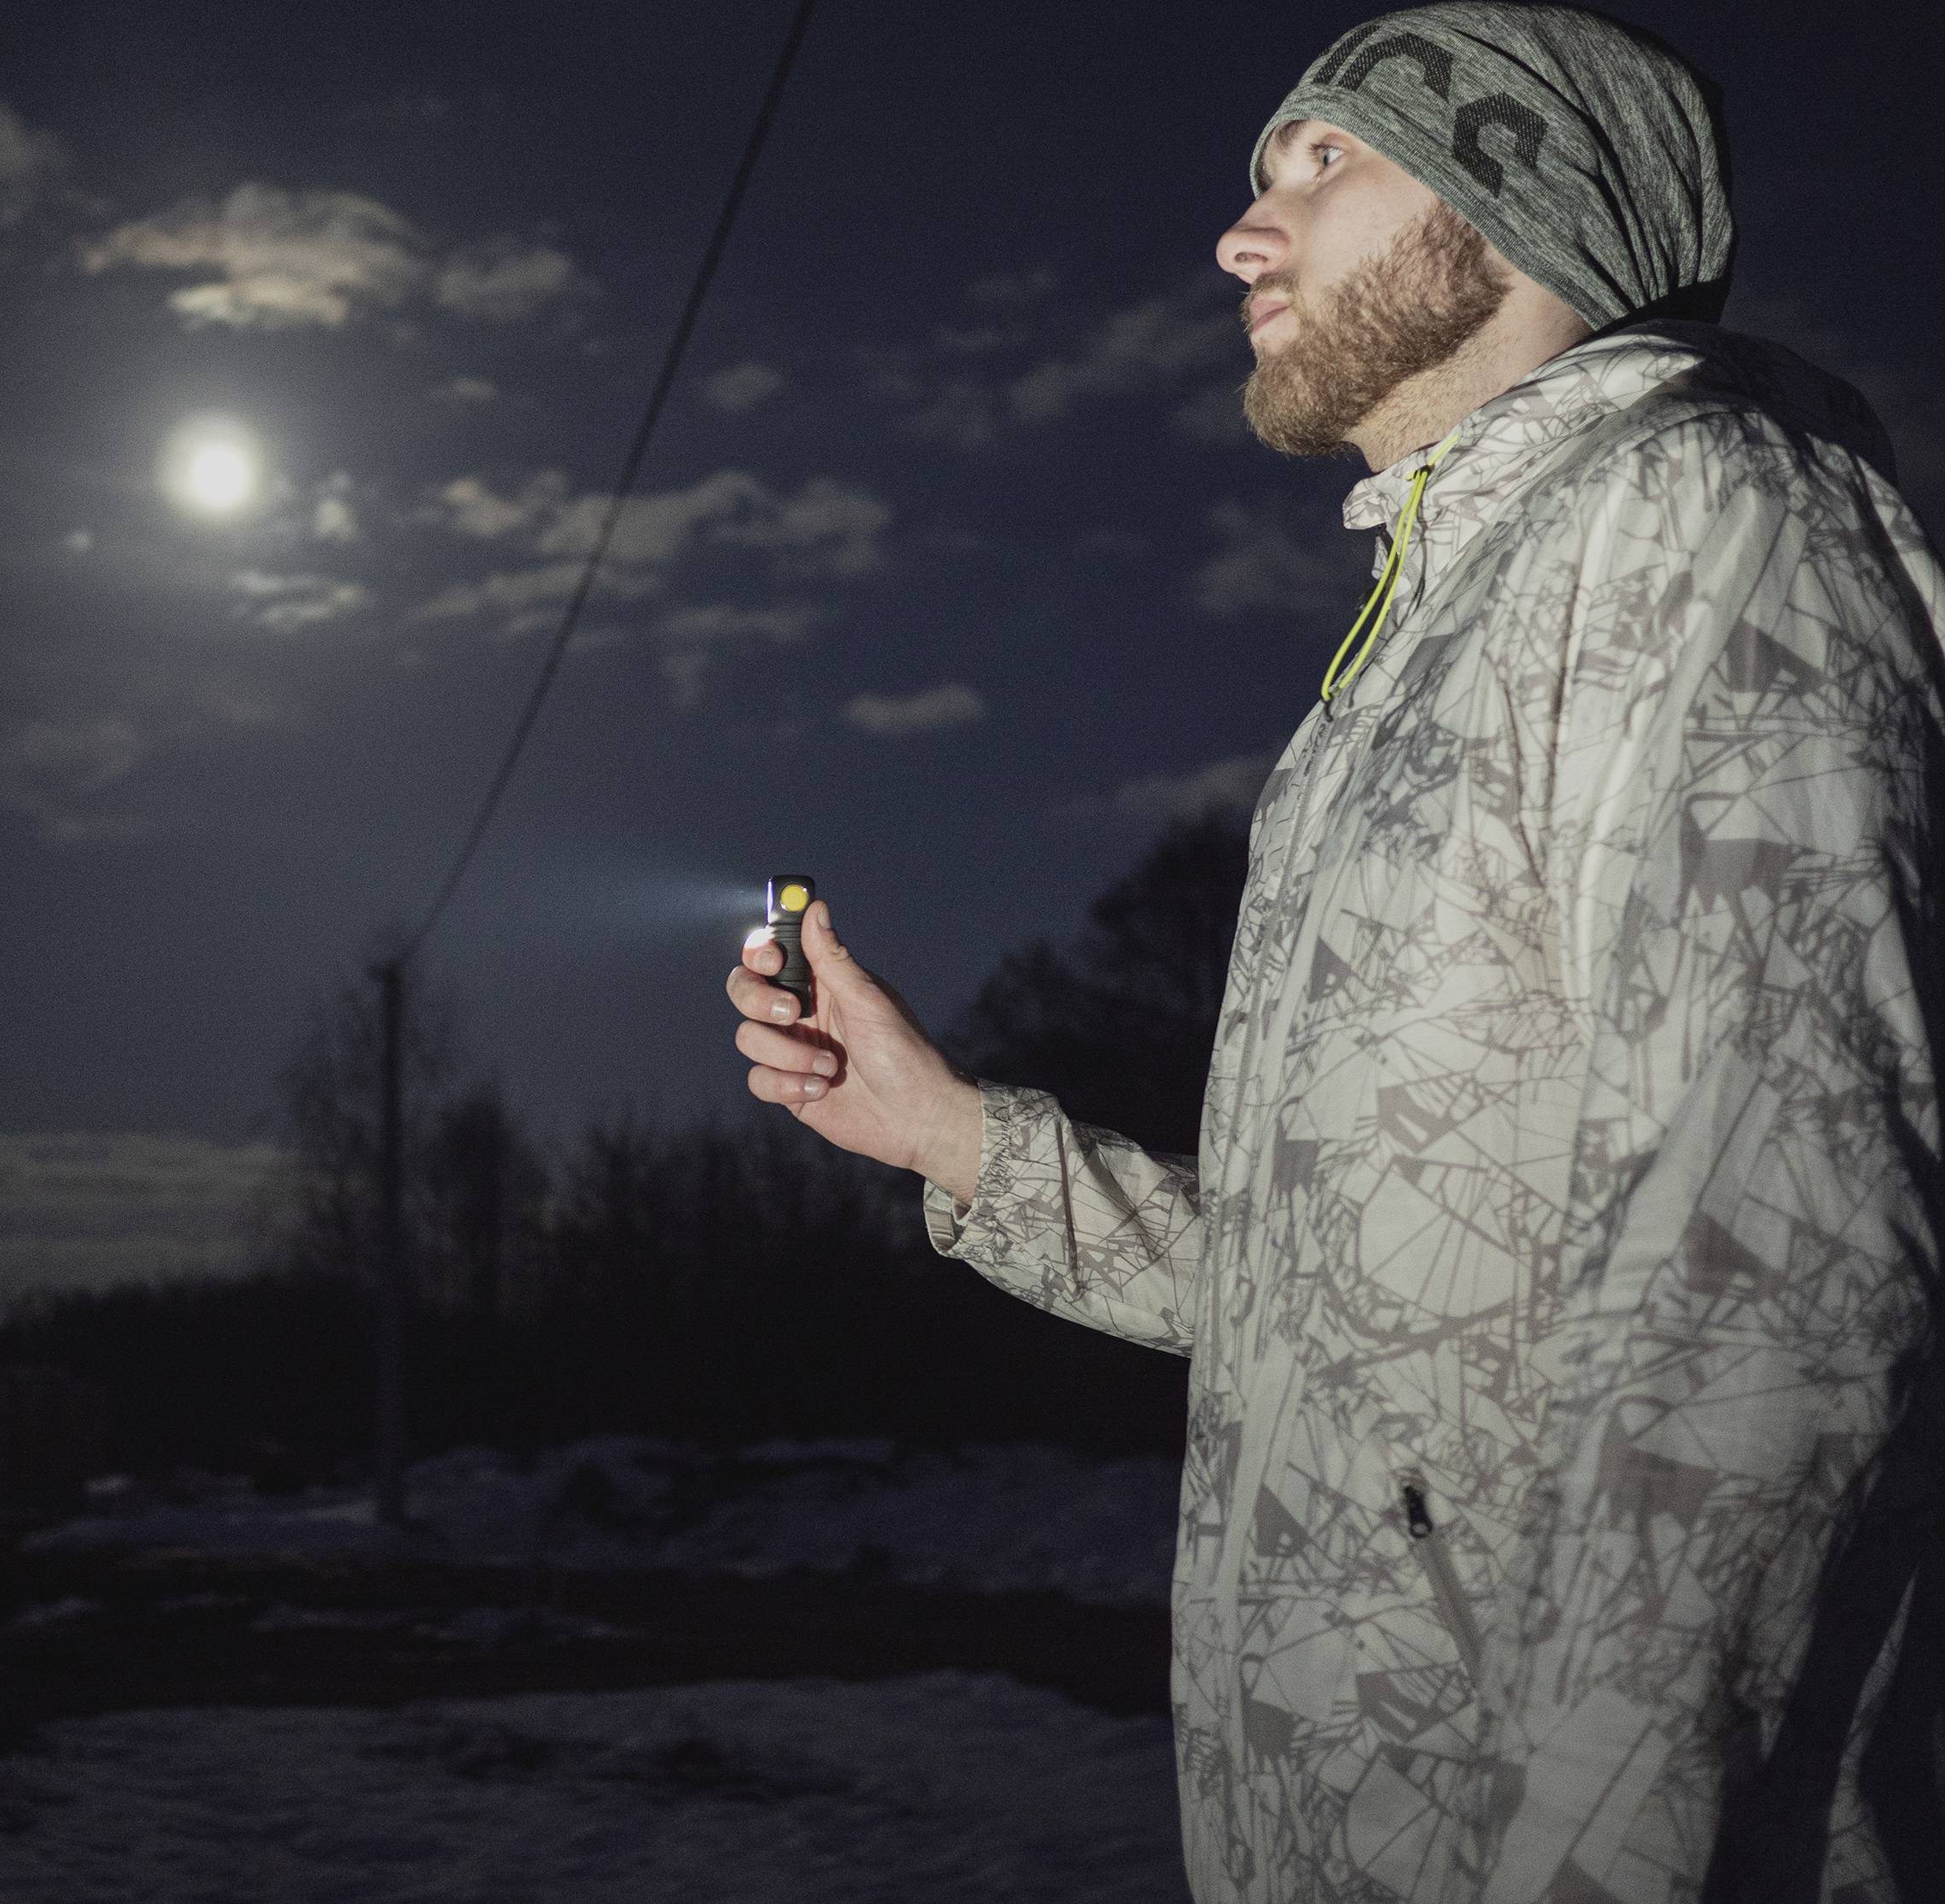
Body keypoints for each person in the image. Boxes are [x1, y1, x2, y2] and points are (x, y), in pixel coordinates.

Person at [725, 6, 1945, 1900]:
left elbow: (1772, 1293)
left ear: (1525, 196)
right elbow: (1355, 1310)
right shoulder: (1406, 658)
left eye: (1321, 161)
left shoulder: (1701, 511)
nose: (1240, 232)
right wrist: (950, 1138)